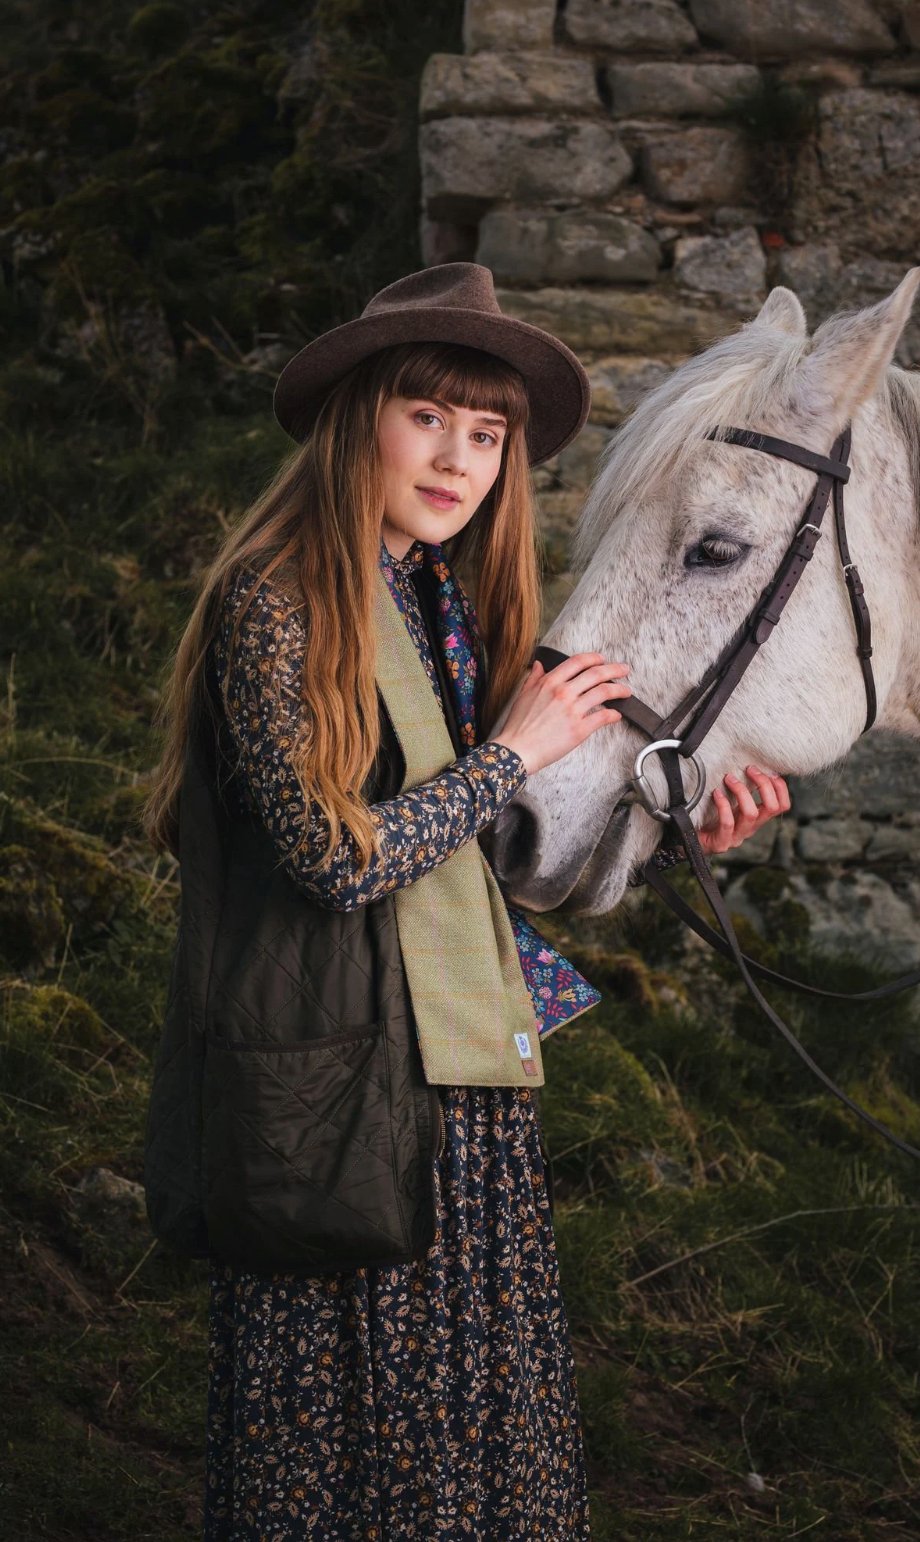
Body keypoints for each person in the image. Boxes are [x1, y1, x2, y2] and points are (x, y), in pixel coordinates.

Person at [142, 263, 790, 1541]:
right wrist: (517, 748)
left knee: (476, 1453)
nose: (457, 458)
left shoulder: (442, 602)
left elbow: (487, 862)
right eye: (426, 416)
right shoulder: (273, 601)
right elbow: (336, 859)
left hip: (461, 1081)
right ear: (355, 418)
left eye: (485, 434)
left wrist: (676, 837)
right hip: (335, 1089)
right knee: (342, 1459)